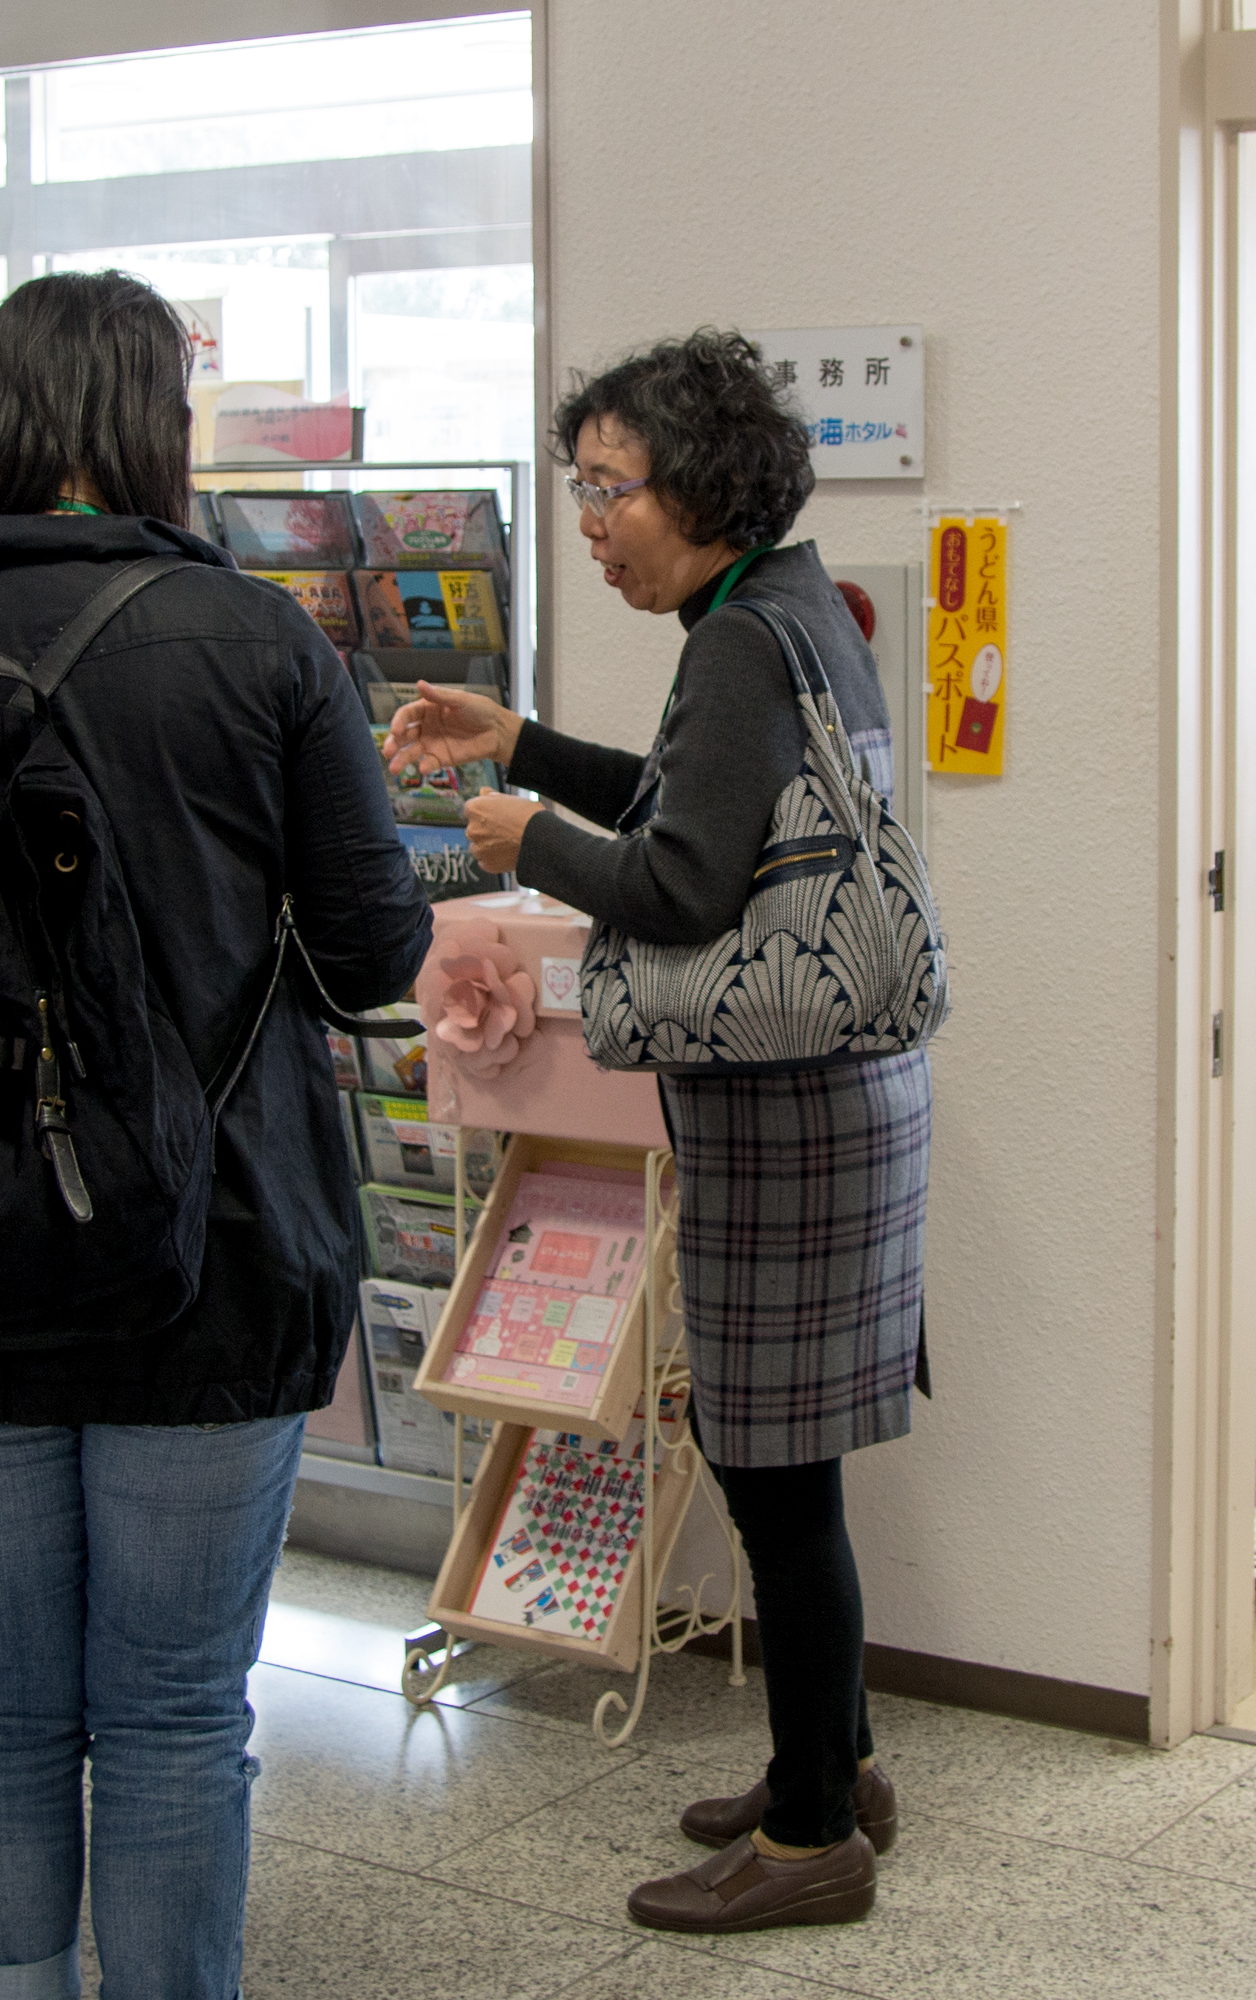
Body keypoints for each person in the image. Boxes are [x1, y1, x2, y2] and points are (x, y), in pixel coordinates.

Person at [0, 270, 435, 2000]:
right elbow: (371, 953)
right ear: (150, 430)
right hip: (210, 1242)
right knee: (176, 1712)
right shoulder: (262, 641)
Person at [387, 328, 932, 1936]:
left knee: (775, 1478)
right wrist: (523, 744)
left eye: (609, 487)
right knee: (791, 1469)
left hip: (787, 1109)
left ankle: (813, 1834)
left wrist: (524, 836)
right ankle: (833, 1763)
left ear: (697, 483)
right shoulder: (787, 612)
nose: (591, 518)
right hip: (833, 1084)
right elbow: (704, 808)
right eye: (580, 488)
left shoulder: (746, 639)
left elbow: (687, 887)